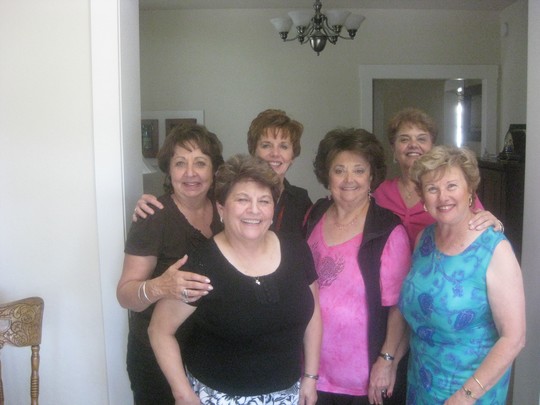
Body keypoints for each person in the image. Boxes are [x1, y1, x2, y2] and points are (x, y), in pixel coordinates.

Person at [149, 154, 322, 405]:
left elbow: (314, 314)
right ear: (222, 209)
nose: (254, 210)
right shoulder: (202, 264)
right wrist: (182, 393)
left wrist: (311, 377)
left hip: (287, 395)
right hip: (218, 397)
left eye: (264, 201)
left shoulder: (296, 249)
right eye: (242, 199)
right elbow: (160, 330)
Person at [399, 145, 525, 404]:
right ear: (423, 197)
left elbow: (514, 338)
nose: (442, 197)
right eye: (432, 189)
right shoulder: (424, 240)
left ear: (470, 191)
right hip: (421, 385)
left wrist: (466, 395)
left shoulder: (494, 249)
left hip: (470, 394)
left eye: (452, 186)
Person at [116, 123, 224, 404]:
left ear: (214, 170)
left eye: (200, 162)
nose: (190, 173)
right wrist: (160, 286)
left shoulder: (225, 211)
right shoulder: (153, 216)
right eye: (180, 163)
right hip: (155, 356)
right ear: (169, 171)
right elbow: (125, 295)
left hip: (208, 352)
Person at [303, 128, 411, 405]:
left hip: (362, 380)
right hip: (312, 371)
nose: (349, 179)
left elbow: (399, 306)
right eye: (339, 170)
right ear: (327, 176)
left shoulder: (387, 229)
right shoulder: (314, 215)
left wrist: (386, 359)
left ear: (371, 176)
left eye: (359, 170)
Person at [134, 109, 312, 237]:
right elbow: (189, 199)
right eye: (266, 145)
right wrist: (147, 208)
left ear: (293, 156)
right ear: (253, 151)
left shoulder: (301, 200)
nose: (275, 154)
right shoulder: (229, 192)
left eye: (284, 146)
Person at [372, 108, 502, 247]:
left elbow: (483, 227)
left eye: (421, 139)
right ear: (393, 148)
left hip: (438, 260)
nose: (413, 145)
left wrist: (496, 225)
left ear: (432, 147)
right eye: (404, 139)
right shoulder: (380, 192)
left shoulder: (454, 191)